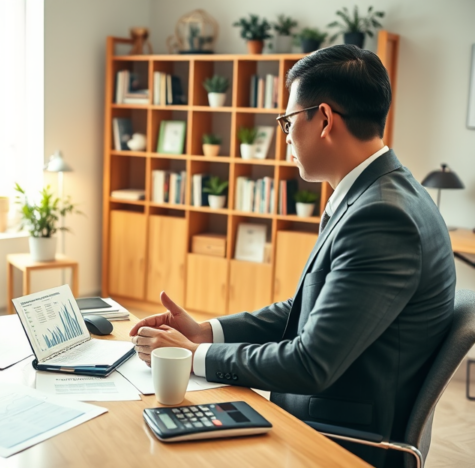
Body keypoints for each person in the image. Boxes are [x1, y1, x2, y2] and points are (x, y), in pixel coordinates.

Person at [129, 45, 455, 467]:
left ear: (323, 119)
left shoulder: (382, 216)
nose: (283, 134)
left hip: (341, 441)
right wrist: (206, 333)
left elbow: (311, 362)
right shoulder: (375, 194)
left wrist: (194, 358)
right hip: (322, 417)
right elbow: (305, 310)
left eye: (287, 120)